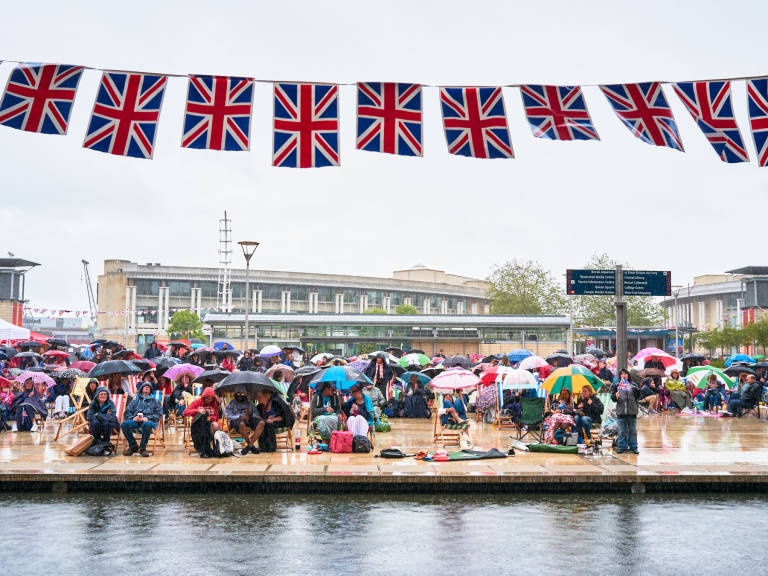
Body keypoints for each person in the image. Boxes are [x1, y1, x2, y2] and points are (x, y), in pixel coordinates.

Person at [121, 382, 162, 457]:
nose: (146, 388)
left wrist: (147, 418)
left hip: (147, 420)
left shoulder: (155, 401)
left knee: (147, 424)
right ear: (141, 389)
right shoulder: (134, 401)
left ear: (150, 390)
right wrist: (133, 418)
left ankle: (143, 448)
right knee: (124, 424)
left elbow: (159, 414)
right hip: (135, 420)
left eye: (148, 387)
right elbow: (127, 412)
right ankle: (133, 445)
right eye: (144, 387)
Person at [224, 386, 265, 454]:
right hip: (237, 421)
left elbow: (257, 415)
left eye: (242, 394)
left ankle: (249, 447)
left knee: (262, 423)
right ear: (235, 395)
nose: (239, 396)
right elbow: (228, 415)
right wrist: (239, 416)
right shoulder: (232, 403)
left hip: (249, 420)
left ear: (245, 395)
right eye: (238, 394)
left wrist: (250, 413)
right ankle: (251, 445)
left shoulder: (249, 403)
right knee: (241, 423)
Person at [255, 387, 295, 452]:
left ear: (266, 397)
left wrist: (273, 419)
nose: (258, 399)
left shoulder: (276, 403)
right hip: (267, 422)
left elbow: (283, 417)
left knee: (269, 425)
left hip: (281, 422)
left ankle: (271, 447)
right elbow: (258, 417)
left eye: (260, 397)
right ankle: (263, 447)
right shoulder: (259, 407)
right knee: (262, 424)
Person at [611, 369, 640, 454]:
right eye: (622, 374)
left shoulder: (633, 385)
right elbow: (612, 398)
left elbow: (638, 396)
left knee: (633, 431)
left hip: (632, 412)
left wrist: (635, 390)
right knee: (622, 431)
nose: (624, 375)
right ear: (620, 376)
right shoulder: (617, 386)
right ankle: (622, 447)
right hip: (621, 412)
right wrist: (615, 395)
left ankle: (633, 447)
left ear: (628, 375)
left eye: (625, 374)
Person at [86, 387, 119, 455]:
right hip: (97, 423)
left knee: (106, 423)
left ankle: (106, 442)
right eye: (101, 394)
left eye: (105, 394)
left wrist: (98, 415)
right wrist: (104, 415)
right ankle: (98, 442)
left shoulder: (110, 403)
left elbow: (112, 416)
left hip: (109, 423)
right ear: (97, 395)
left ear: (107, 396)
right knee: (95, 422)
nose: (103, 396)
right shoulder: (93, 403)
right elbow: (89, 416)